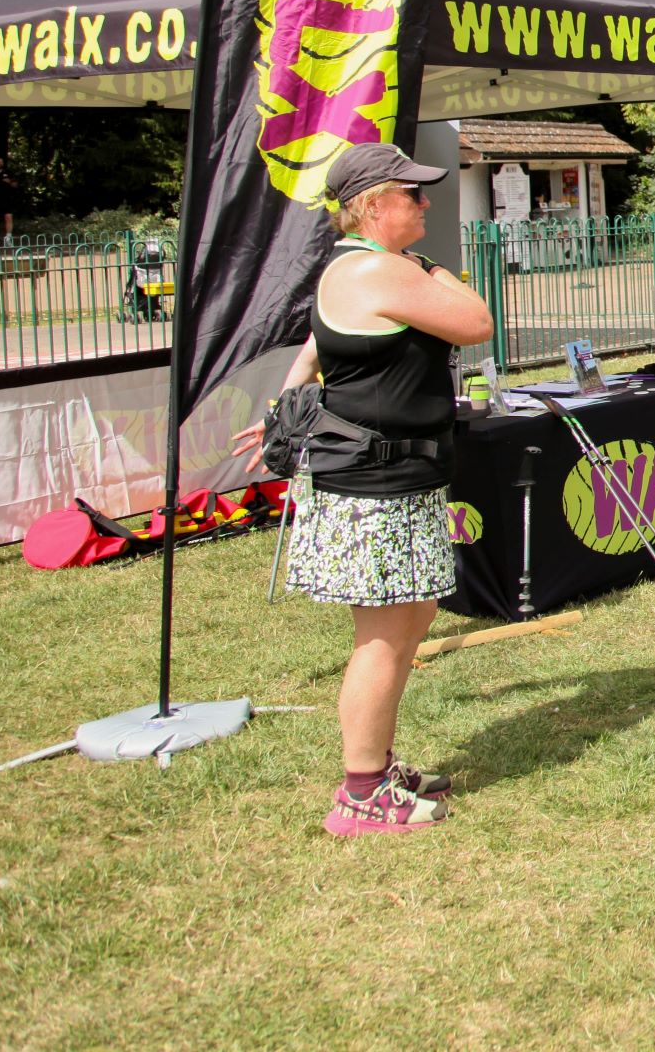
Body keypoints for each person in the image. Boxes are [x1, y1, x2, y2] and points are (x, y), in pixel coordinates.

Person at [268, 143, 493, 834]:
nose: (426, 203)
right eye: (411, 194)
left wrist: (285, 401)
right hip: (376, 484)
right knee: (385, 635)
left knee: (414, 616)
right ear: (371, 206)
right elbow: (477, 321)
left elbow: (318, 346)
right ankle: (361, 792)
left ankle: (379, 765)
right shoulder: (376, 270)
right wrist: (430, 269)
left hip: (394, 476)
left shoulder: (361, 269)